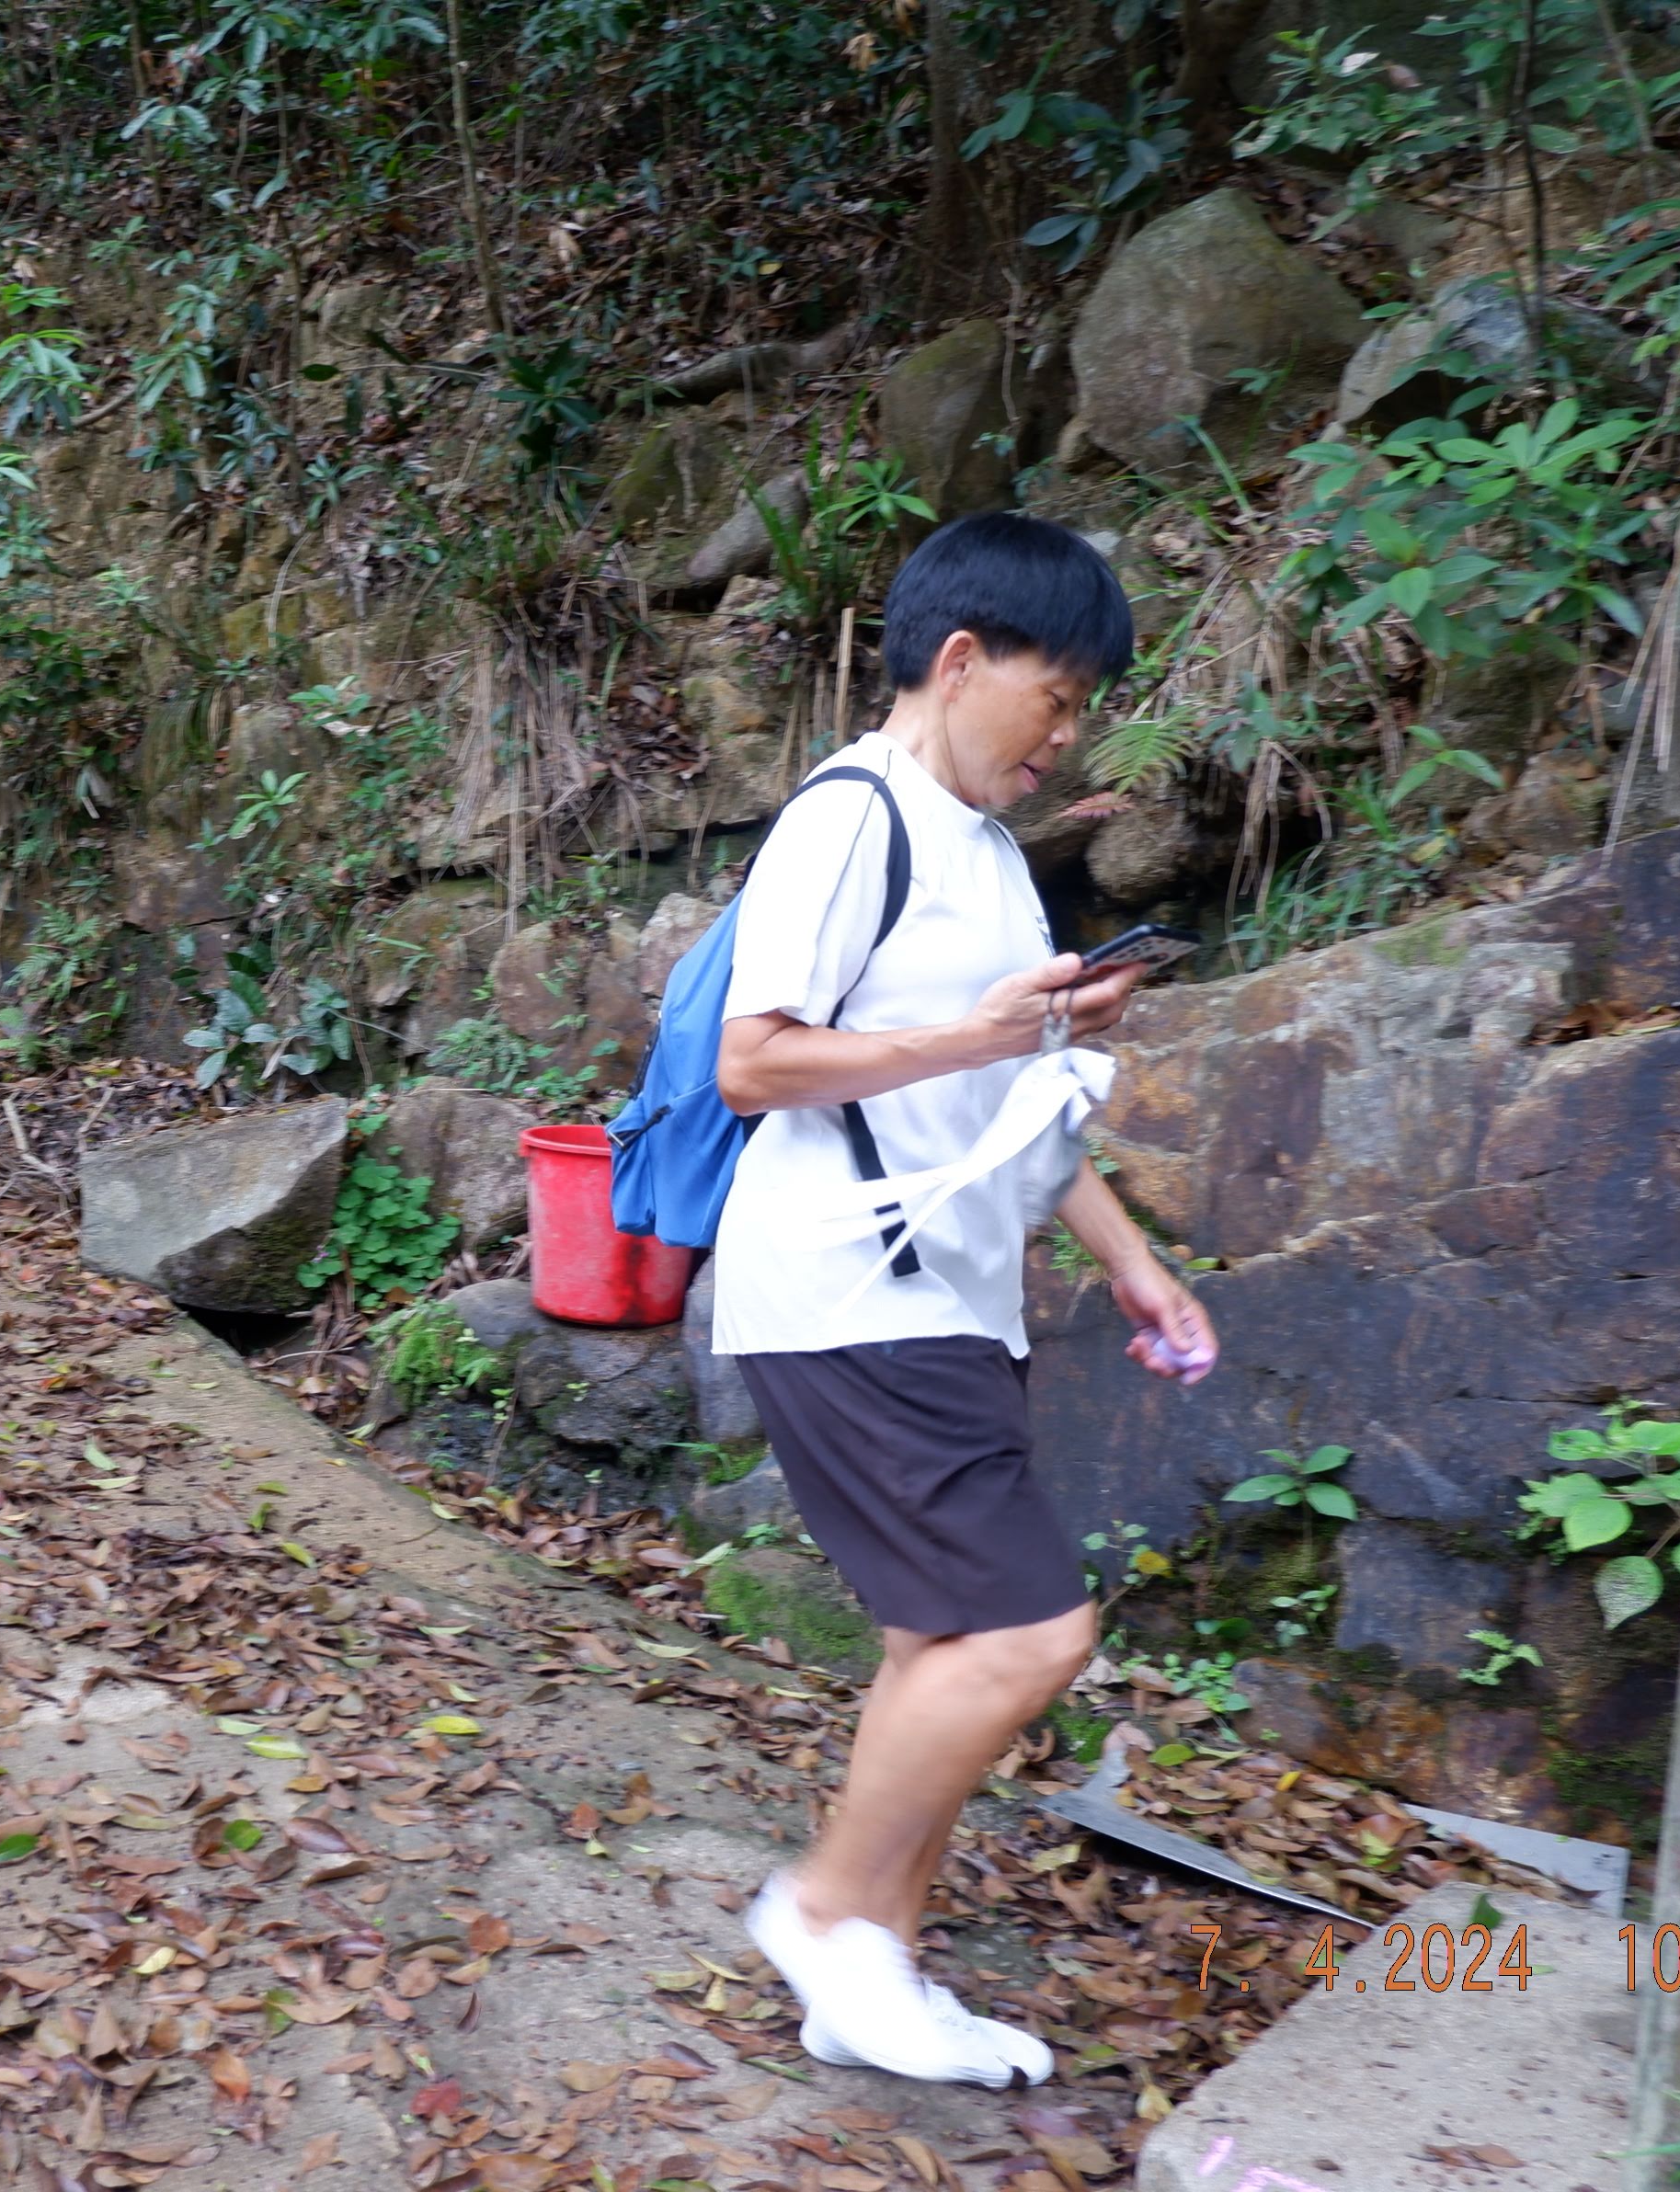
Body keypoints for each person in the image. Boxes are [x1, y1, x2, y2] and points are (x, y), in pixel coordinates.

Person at [711, 511, 1220, 2086]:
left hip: (946, 1297)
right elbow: (755, 1062)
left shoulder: (989, 858)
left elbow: (1011, 1108)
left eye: (1083, 712)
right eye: (1054, 699)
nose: (1066, 740)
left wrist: (1133, 1261)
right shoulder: (848, 819)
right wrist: (984, 1034)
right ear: (958, 659)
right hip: (850, 1281)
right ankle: (822, 1911)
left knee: (938, 1641)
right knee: (1030, 1631)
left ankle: (878, 1976)